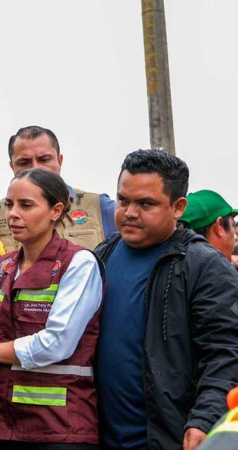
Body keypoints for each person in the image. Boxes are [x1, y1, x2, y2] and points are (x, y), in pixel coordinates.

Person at [94, 149, 238, 450]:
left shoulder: (205, 267)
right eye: (123, 200)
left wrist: (204, 419)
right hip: (99, 438)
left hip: (169, 439)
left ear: (178, 207)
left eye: (145, 203)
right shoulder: (101, 256)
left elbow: (226, 352)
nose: (130, 212)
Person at [0, 168, 104, 450]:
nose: (12, 214)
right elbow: (11, 320)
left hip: (58, 425)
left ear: (56, 211)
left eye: (26, 205)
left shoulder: (78, 264)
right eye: (9, 204)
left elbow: (56, 342)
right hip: (3, 420)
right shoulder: (6, 265)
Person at [0, 125, 116, 251]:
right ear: (12, 166)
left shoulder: (100, 208)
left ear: (59, 161)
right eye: (24, 162)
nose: (35, 168)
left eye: (44, 159)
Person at [179, 189, 238, 261]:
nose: (235, 237)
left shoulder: (172, 263)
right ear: (219, 226)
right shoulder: (219, 267)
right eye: (232, 225)